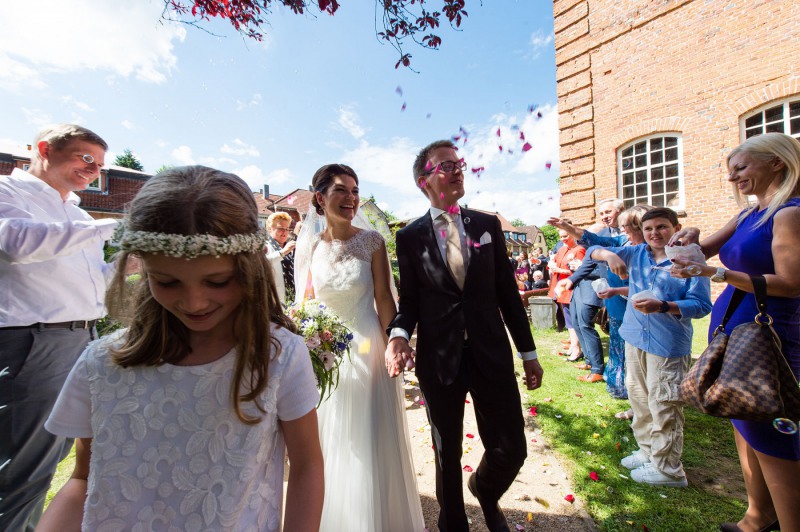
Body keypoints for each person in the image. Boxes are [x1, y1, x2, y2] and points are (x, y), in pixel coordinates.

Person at [37, 166, 323, 531]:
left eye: (217, 281)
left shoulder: (277, 356)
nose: (194, 302)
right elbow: (82, 479)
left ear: (249, 267)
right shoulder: (102, 363)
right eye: (167, 281)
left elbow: (307, 466)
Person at [385, 140, 543, 532]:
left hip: (491, 354)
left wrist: (528, 353)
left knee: (511, 447)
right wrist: (399, 334)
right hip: (440, 360)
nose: (458, 169)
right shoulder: (409, 238)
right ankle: (452, 523)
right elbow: (409, 303)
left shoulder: (487, 225)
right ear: (424, 181)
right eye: (446, 165)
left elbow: (508, 294)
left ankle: (485, 490)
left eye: (459, 163)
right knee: (446, 451)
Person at [669, 132, 800, 532]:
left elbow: (791, 282)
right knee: (742, 420)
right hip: (732, 332)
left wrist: (718, 274)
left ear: (777, 162)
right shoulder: (749, 215)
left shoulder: (789, 213)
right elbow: (700, 252)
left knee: (769, 431)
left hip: (767, 336)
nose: (732, 179)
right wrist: (687, 242)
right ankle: (758, 515)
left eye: (740, 168)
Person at [294, 163, 425, 530]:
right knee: (331, 438)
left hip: (368, 348)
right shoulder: (309, 247)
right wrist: (306, 340)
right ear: (320, 198)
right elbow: (306, 303)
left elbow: (384, 298)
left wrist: (395, 341)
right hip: (325, 353)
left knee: (368, 437)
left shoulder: (373, 242)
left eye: (355, 190)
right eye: (342, 190)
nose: (351, 198)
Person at [0, 124, 118, 531]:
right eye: (86, 158)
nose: (93, 171)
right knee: (22, 467)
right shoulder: (6, 193)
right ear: (45, 148)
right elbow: (18, 243)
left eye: (99, 166)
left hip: (83, 337)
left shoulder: (80, 215)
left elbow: (93, 283)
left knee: (54, 458)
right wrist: (114, 226)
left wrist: (133, 262)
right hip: (34, 341)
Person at [591, 207, 712, 488]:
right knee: (640, 400)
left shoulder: (690, 260)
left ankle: (669, 470)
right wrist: (609, 255)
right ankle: (647, 451)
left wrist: (666, 306)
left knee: (664, 404)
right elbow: (591, 248)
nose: (654, 233)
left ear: (676, 227)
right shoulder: (637, 254)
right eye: (649, 229)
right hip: (635, 338)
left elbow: (702, 305)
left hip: (667, 345)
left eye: (662, 227)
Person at [549, 229, 585, 361]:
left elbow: (581, 272)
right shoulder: (563, 250)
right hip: (561, 289)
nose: (563, 239)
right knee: (569, 320)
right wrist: (551, 264)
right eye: (561, 237)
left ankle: (577, 349)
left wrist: (561, 270)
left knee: (573, 320)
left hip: (571, 289)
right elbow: (554, 263)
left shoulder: (579, 250)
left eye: (565, 236)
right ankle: (573, 346)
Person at [265, 211, 296, 303]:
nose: (285, 232)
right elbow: (262, 264)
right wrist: (282, 252)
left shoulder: (291, 247)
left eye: (287, 229)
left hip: (292, 300)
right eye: (281, 228)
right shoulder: (264, 246)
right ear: (270, 229)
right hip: (273, 301)